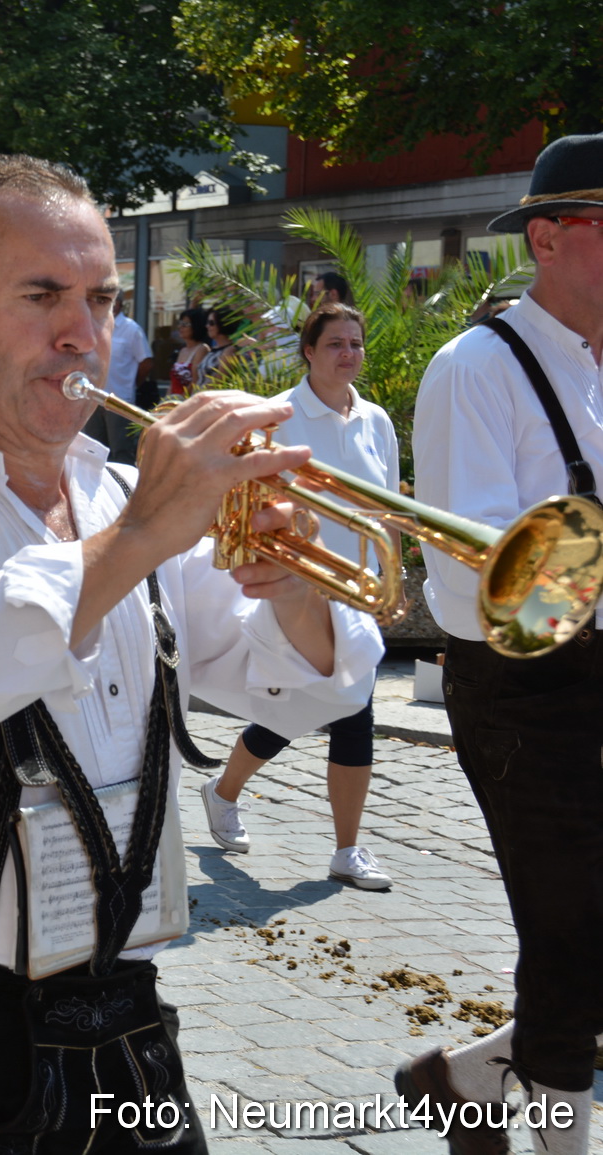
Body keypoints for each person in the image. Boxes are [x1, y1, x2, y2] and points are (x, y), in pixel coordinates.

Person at [0, 154, 382, 1153]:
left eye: (99, 298)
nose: (80, 332)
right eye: (40, 295)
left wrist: (304, 587)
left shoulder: (109, 499)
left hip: (117, 998)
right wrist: (142, 535)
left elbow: (287, 690)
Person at [397, 132, 603, 1155]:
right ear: (550, 236)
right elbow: (465, 571)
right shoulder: (473, 367)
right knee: (567, 933)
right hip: (525, 683)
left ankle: (466, 1082)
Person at [200, 302, 397, 890]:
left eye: (356, 344)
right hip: (296, 588)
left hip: (354, 587)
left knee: (345, 710)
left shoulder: (376, 420)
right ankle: (228, 792)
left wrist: (388, 575)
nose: (348, 354)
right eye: (335, 343)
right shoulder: (282, 416)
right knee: (310, 707)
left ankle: (344, 847)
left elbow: (383, 508)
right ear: (309, 352)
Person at [102, 297, 153, 464]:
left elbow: (146, 362)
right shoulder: (97, 324)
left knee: (121, 452)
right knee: (94, 451)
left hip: (119, 401)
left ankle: (124, 488)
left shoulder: (132, 329)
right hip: (95, 399)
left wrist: (131, 384)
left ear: (119, 303)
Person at [168, 306, 209, 398]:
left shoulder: (202, 349)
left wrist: (181, 401)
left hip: (188, 401)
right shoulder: (182, 350)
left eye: (185, 324)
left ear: (196, 326)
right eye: (180, 323)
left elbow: (195, 380)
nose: (180, 327)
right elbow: (173, 381)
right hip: (173, 400)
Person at [197, 305, 244, 384]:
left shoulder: (229, 351)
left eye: (211, 323)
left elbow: (220, 381)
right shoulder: (213, 350)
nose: (207, 326)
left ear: (222, 324)